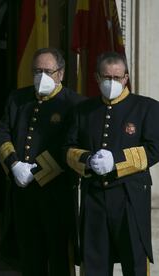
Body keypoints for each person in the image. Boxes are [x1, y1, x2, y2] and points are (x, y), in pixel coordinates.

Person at [65, 51, 159, 275]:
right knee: (94, 261)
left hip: (130, 197)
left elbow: (154, 148)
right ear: (97, 78)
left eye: (117, 78)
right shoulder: (83, 110)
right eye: (106, 77)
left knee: (135, 261)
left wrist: (116, 161)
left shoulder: (146, 107)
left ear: (126, 78)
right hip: (94, 196)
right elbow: (67, 148)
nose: (112, 82)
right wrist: (87, 159)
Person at [0, 48, 83, 275]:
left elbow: (69, 145)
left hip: (56, 193)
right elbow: (3, 134)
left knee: (58, 259)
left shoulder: (74, 103)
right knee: (28, 257)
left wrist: (37, 171)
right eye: (36, 71)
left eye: (47, 71)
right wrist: (14, 164)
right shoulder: (18, 98)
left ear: (61, 74)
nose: (41, 76)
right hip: (22, 193)